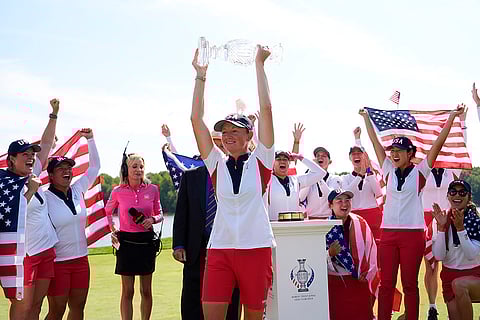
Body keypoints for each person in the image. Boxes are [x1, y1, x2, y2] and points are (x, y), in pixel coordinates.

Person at [190, 45, 274, 320]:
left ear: (250, 134)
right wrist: (200, 76)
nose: (227, 136)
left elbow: (266, 107)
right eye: (224, 132)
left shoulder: (262, 160)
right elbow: (195, 119)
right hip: (220, 250)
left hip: (256, 249)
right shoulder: (216, 162)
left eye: (234, 131)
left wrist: (259, 66)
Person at [359, 104, 465, 320]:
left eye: (399, 151)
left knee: (409, 284)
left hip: (412, 235)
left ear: (410, 154)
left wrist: (453, 117)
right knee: (386, 283)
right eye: (393, 151)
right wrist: (366, 119)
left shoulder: (421, 171)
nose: (394, 154)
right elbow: (375, 143)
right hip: (388, 234)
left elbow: (438, 143)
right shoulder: (388, 168)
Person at [162, 126, 241, 320]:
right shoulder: (191, 176)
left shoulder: (237, 175)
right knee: (192, 296)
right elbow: (181, 213)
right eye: (213, 144)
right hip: (196, 248)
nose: (216, 148)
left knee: (229, 295)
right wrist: (178, 244)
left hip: (228, 246)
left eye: (220, 144)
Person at [0, 99, 59, 320]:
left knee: (36, 306)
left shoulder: (31, 174)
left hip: (44, 250)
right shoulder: (4, 183)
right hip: (23, 255)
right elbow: (10, 215)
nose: (31, 157)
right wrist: (31, 191)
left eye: (31, 154)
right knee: (22, 307)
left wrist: (54, 115)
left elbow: (45, 144)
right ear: (12, 160)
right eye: (25, 154)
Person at [44, 128, 100, 320]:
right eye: (61, 169)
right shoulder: (44, 198)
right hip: (58, 262)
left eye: (69, 168)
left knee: (78, 307)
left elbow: (94, 167)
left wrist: (91, 139)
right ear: (51, 175)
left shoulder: (77, 190)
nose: (67, 171)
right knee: (57, 310)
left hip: (81, 260)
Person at [105, 153, 164, 320]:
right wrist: (113, 228)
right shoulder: (117, 191)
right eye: (134, 166)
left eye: (141, 166)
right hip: (126, 242)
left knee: (146, 290)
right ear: (126, 169)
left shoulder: (153, 189)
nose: (139, 170)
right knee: (127, 291)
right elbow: (107, 212)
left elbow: (160, 214)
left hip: (146, 242)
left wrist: (152, 219)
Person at [326, 189, 378, 320]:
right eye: (339, 201)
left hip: (358, 281)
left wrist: (368, 272)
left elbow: (371, 249)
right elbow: (314, 257)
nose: (344, 204)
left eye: (347, 200)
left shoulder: (361, 223)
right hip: (334, 283)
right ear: (330, 205)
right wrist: (329, 254)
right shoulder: (323, 227)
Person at [431, 180, 480, 320]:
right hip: (449, 275)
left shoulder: (476, 222)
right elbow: (439, 256)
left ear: (469, 197)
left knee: (459, 284)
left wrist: (460, 229)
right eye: (453, 192)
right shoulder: (441, 218)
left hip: (476, 275)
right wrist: (441, 228)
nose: (457, 195)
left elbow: (471, 255)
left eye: (462, 192)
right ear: (448, 196)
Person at [422, 167, 462, 320]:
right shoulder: (423, 167)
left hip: (447, 217)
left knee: (449, 263)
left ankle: (452, 305)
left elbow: (461, 144)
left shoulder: (451, 169)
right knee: (431, 266)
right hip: (425, 217)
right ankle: (432, 308)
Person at [268, 124, 326, 221]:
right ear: (273, 163)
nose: (282, 161)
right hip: (274, 227)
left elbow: (321, 173)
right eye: (279, 159)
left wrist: (301, 158)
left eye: (285, 159)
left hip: (294, 227)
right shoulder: (267, 181)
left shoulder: (296, 181)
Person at [341, 127, 383, 243]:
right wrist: (360, 175)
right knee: (356, 247)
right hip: (354, 215)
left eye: (359, 154)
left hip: (373, 214)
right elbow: (346, 194)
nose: (356, 156)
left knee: (376, 247)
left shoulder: (371, 176)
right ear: (350, 158)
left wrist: (368, 173)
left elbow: (378, 193)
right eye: (353, 154)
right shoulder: (345, 178)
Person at [299, 145, 342, 219]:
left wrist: (318, 175)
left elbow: (330, 196)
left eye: (324, 156)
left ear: (330, 162)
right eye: (317, 156)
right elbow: (301, 197)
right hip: (311, 219)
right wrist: (312, 172)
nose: (320, 158)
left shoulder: (335, 178)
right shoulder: (308, 177)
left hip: (330, 219)